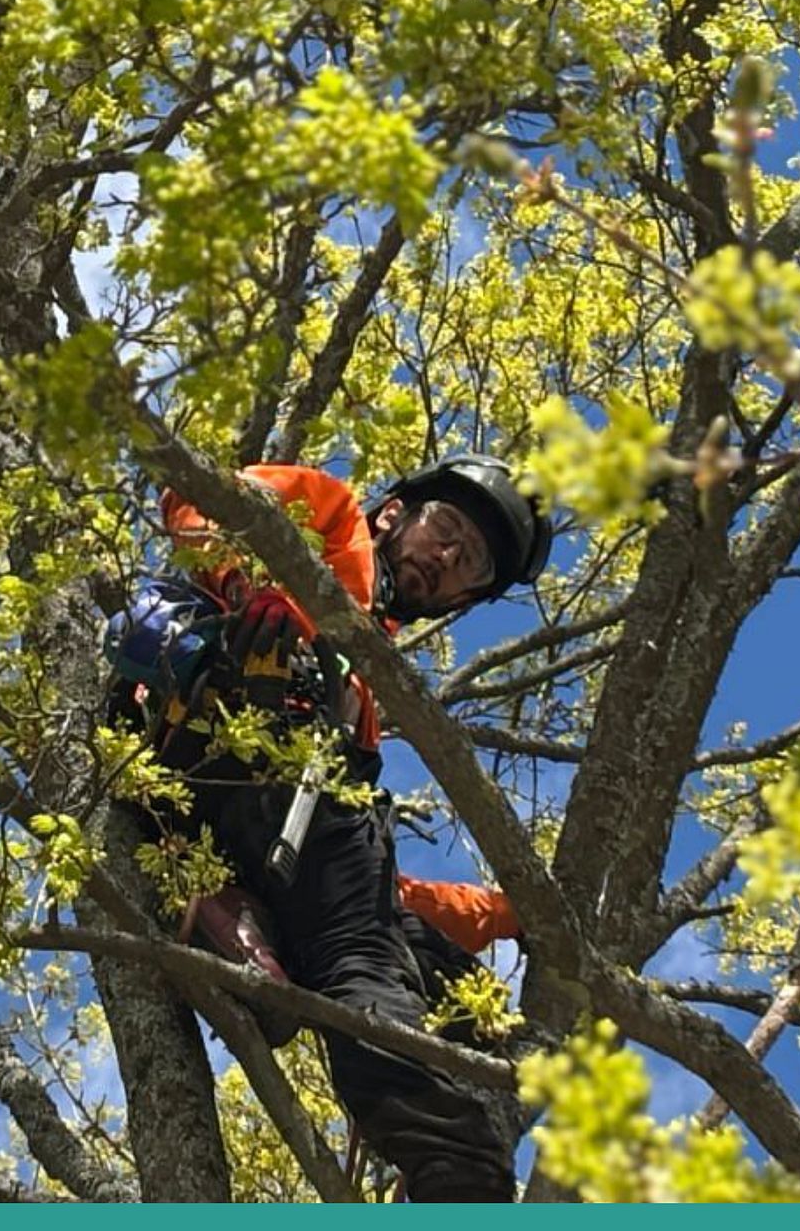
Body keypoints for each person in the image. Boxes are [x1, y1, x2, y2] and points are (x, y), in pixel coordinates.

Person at [153, 454, 551, 1203]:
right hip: (231, 721)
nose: (447, 560)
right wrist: (252, 585)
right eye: (449, 530)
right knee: (362, 957)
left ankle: (238, 922)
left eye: (468, 565)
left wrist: (503, 914)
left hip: (270, 816)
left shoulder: (359, 686)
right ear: (397, 511)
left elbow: (370, 893)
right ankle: (454, 1172)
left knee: (464, 1000)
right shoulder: (334, 523)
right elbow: (198, 495)